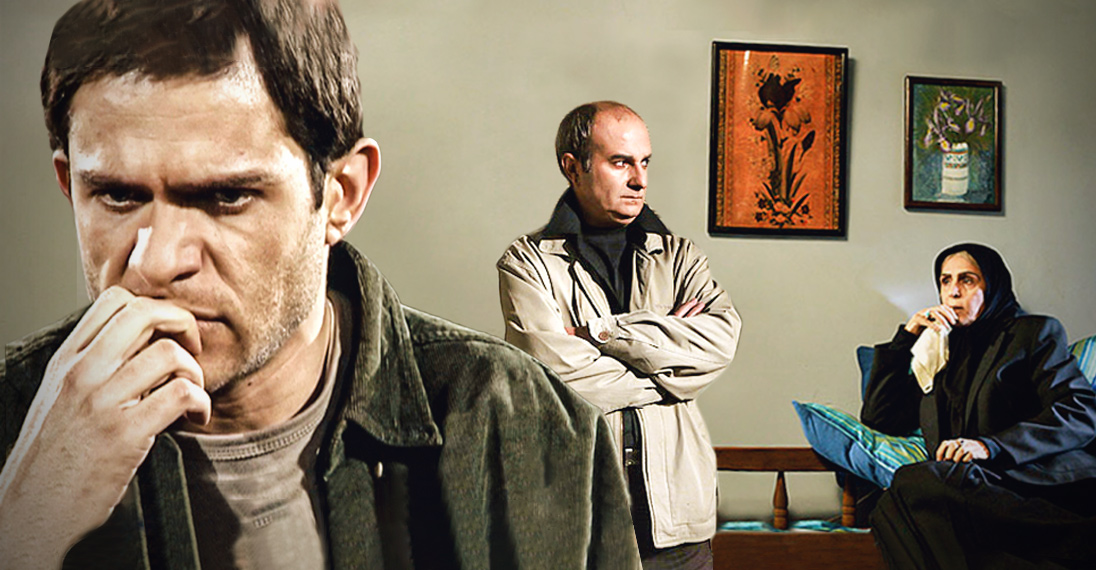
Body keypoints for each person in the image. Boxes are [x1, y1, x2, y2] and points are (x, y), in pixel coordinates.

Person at [0, 2, 640, 568]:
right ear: (68, 184)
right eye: (115, 195)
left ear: (341, 195)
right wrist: (25, 527)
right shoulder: (11, 421)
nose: (157, 261)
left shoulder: (524, 425)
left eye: (226, 196)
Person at [497, 101, 742, 569]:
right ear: (573, 167)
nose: (639, 180)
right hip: (576, 528)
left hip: (679, 527)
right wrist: (670, 372)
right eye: (620, 162)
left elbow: (719, 345)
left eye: (645, 162)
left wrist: (602, 334)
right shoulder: (526, 264)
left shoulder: (681, 257)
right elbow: (554, 380)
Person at [860, 243, 1096, 569]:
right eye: (945, 281)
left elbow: (1079, 412)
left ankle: (1091, 540)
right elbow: (879, 418)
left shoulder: (1032, 332)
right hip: (961, 486)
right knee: (887, 508)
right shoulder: (937, 350)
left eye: (967, 280)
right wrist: (906, 338)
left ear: (992, 286)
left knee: (913, 482)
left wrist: (988, 447)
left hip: (1031, 476)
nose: (953, 292)